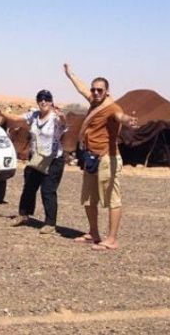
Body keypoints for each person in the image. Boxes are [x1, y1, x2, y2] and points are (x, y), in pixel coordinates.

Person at [64, 63, 138, 251]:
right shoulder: (93, 102)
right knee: (89, 199)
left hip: (107, 158)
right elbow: (81, 88)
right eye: (94, 89)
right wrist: (70, 74)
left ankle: (112, 239)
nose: (95, 93)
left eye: (99, 90)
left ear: (107, 91)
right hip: (91, 158)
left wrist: (128, 120)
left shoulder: (112, 107)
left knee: (112, 199)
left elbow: (120, 116)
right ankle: (94, 233)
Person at [0, 90, 67, 234]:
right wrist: (1, 113)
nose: (43, 101)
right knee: (29, 187)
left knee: (48, 190)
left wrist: (62, 117)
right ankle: (24, 215)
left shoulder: (56, 118)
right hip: (37, 158)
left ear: (51, 102)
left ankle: (50, 223)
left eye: (47, 99)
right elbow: (15, 119)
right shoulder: (33, 116)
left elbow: (64, 124)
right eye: (40, 99)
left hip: (53, 160)